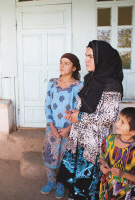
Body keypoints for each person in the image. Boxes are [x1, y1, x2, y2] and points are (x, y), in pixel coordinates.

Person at [57, 40, 124, 199]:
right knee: (76, 182)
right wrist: (74, 113)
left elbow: (109, 117)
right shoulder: (89, 79)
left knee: (89, 185)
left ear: (102, 58)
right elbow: (84, 107)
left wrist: (79, 116)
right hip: (78, 139)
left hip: (94, 144)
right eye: (86, 55)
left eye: (91, 56)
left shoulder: (112, 85)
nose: (86, 60)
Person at [41, 53, 83, 199]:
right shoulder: (52, 83)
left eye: (66, 63)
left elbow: (79, 109)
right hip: (52, 128)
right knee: (50, 155)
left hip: (69, 130)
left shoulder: (79, 86)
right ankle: (51, 181)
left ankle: (61, 184)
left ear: (74, 67)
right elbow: (47, 106)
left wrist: (68, 128)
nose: (62, 66)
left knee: (66, 158)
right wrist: (51, 126)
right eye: (61, 62)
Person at [99, 107, 135, 200]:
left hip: (126, 194)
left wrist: (123, 174)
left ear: (134, 132)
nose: (117, 123)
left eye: (123, 122)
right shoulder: (109, 140)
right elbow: (102, 157)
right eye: (119, 119)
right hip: (106, 188)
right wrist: (103, 165)